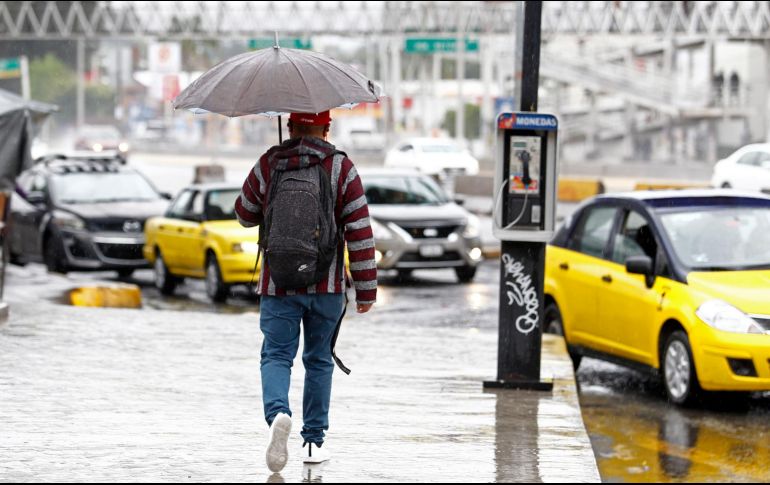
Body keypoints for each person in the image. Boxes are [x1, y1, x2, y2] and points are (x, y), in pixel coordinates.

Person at [234, 110, 377, 473]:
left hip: (278, 283)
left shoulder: (270, 162)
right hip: (326, 286)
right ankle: (313, 442)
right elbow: (360, 231)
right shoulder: (341, 168)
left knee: (277, 356)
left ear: (292, 125)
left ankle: (278, 415)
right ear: (327, 128)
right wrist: (366, 289)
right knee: (318, 361)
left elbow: (244, 213)